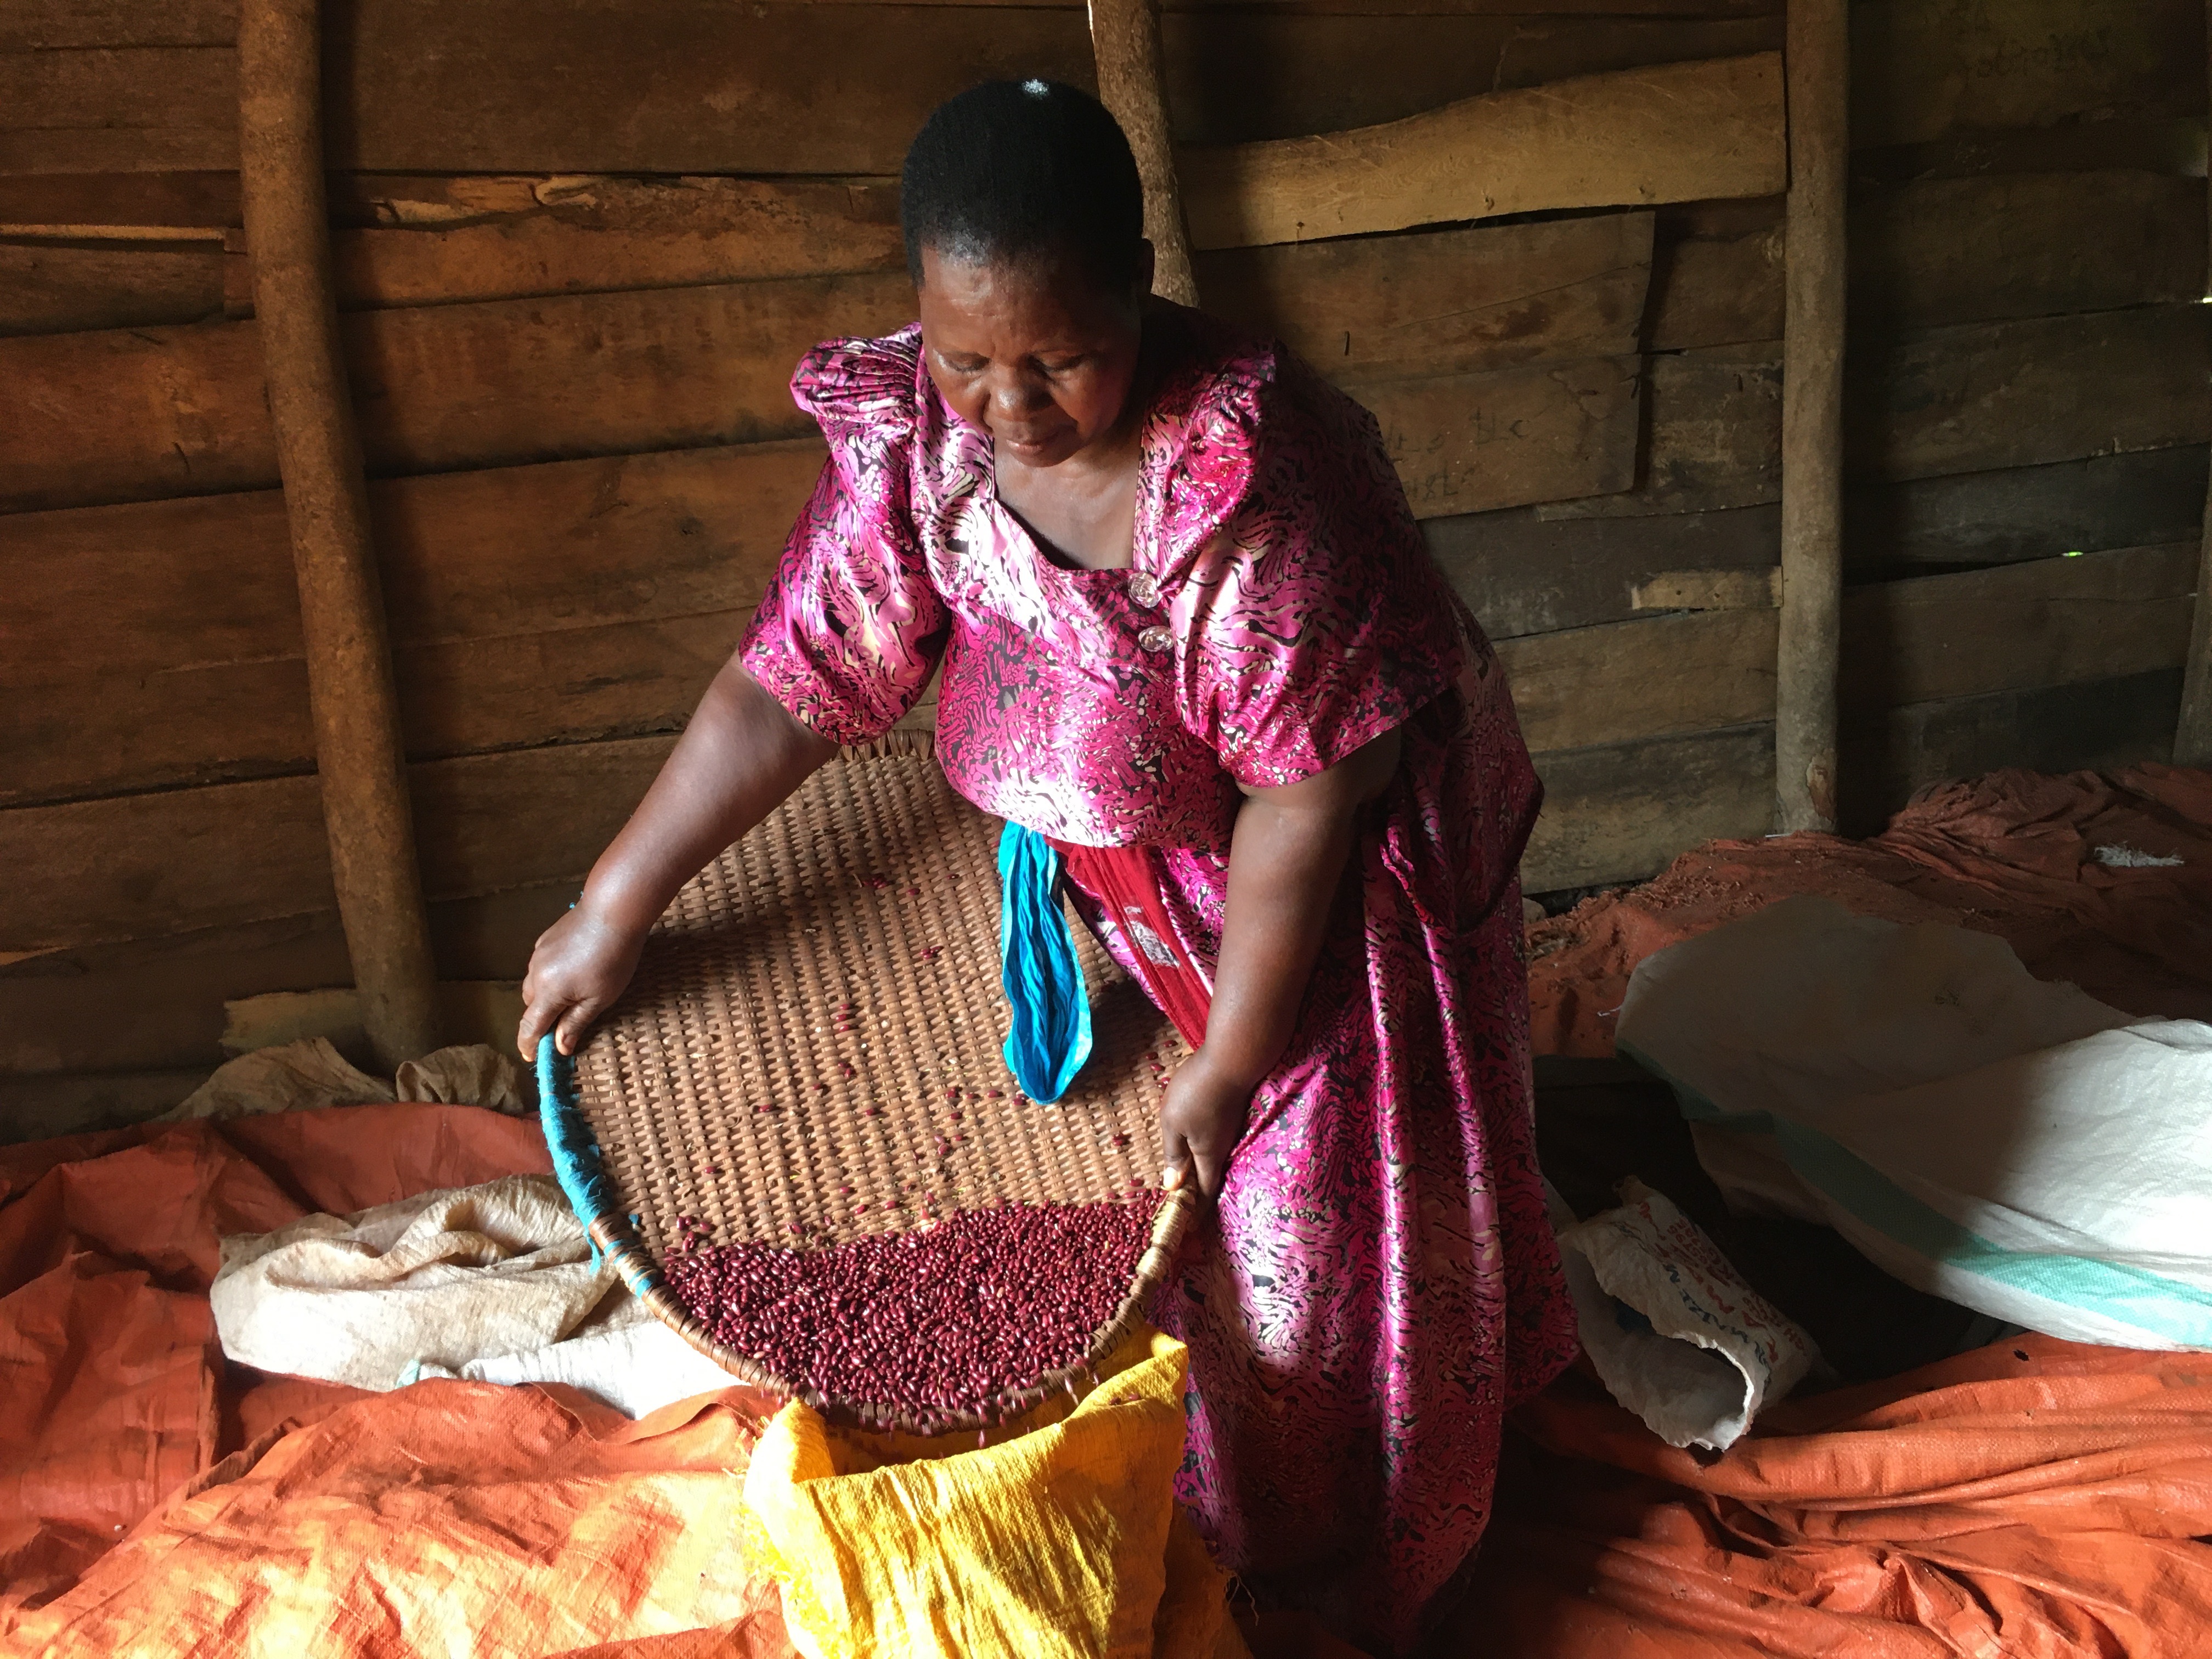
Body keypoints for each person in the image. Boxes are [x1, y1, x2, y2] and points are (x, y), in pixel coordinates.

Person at [517, 77, 1576, 1655]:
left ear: (1139, 281)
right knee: (1150, 1235)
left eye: (1061, 358)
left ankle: (1325, 1560)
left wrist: (1230, 1057)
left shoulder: (1255, 497)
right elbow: (791, 676)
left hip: (1318, 902)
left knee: (1310, 1249)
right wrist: (619, 900)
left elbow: (1302, 800)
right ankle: (1188, 1476)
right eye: (965, 357)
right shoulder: (922, 448)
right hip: (1122, 878)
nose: (1009, 403)